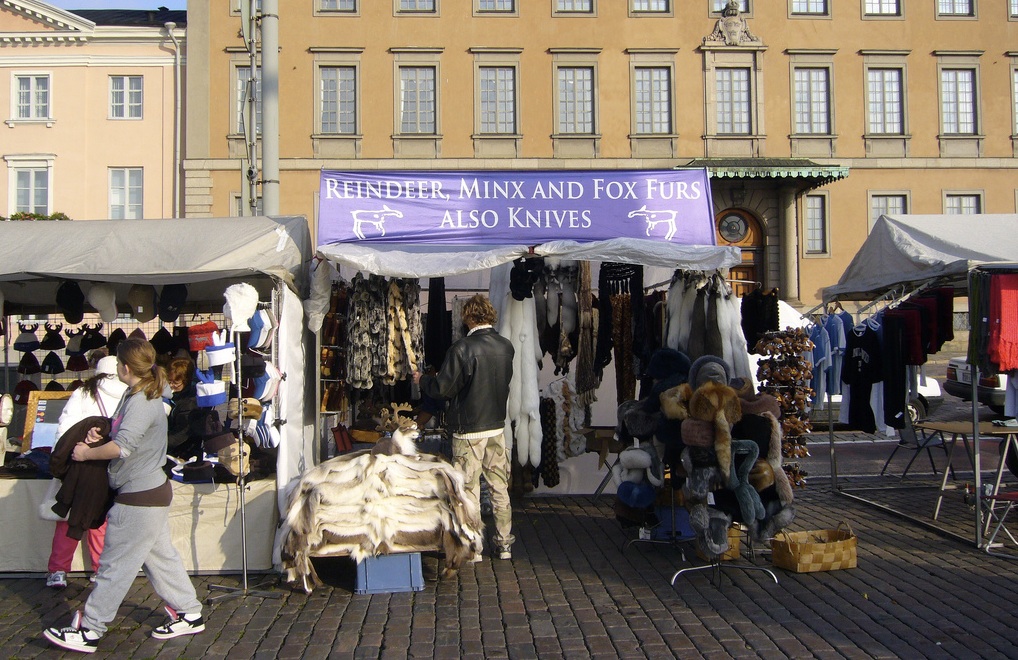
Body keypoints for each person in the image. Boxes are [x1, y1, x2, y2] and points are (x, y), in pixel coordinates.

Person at [43, 338, 204, 654]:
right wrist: (99, 435)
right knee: (160, 557)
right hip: (146, 492)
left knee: (113, 568)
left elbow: (123, 447)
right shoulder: (136, 395)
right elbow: (120, 436)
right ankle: (190, 612)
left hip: (139, 496)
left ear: (125, 367)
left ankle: (89, 630)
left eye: (117, 362)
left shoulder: (142, 399)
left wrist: (86, 454)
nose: (116, 367)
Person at [413, 294, 516, 560]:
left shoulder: (461, 349)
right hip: (496, 428)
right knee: (499, 487)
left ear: (469, 316)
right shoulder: (506, 347)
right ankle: (504, 543)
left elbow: (442, 389)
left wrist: (421, 380)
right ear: (489, 315)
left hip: (468, 431)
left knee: (468, 490)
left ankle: (474, 546)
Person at [46, 352, 127, 589]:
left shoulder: (83, 393)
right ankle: (100, 569)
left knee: (68, 518)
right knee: (100, 519)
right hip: (109, 464)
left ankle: (58, 570)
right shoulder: (129, 395)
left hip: (79, 463)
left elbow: (65, 428)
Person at [165, 357, 204, 460]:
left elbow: (180, 434)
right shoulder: (172, 394)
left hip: (183, 452)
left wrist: (157, 444)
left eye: (176, 383)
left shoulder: (189, 404)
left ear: (186, 381)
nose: (171, 385)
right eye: (169, 381)